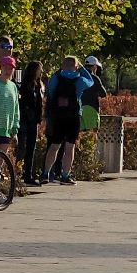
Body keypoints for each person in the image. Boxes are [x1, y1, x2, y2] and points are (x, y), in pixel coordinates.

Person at [42, 56, 90, 185]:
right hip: (73, 116)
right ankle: (65, 175)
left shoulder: (56, 78)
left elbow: (50, 92)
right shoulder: (79, 80)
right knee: (70, 147)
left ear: (63, 65)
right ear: (76, 66)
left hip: (58, 116)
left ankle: (45, 173)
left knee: (54, 146)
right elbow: (91, 81)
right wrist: (82, 68)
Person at [17, 60, 45, 184]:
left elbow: (39, 103)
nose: (41, 72)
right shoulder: (25, 85)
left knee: (31, 147)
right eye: (39, 69)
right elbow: (24, 103)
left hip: (33, 119)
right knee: (22, 146)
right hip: (24, 118)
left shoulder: (39, 85)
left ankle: (28, 174)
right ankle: (18, 173)